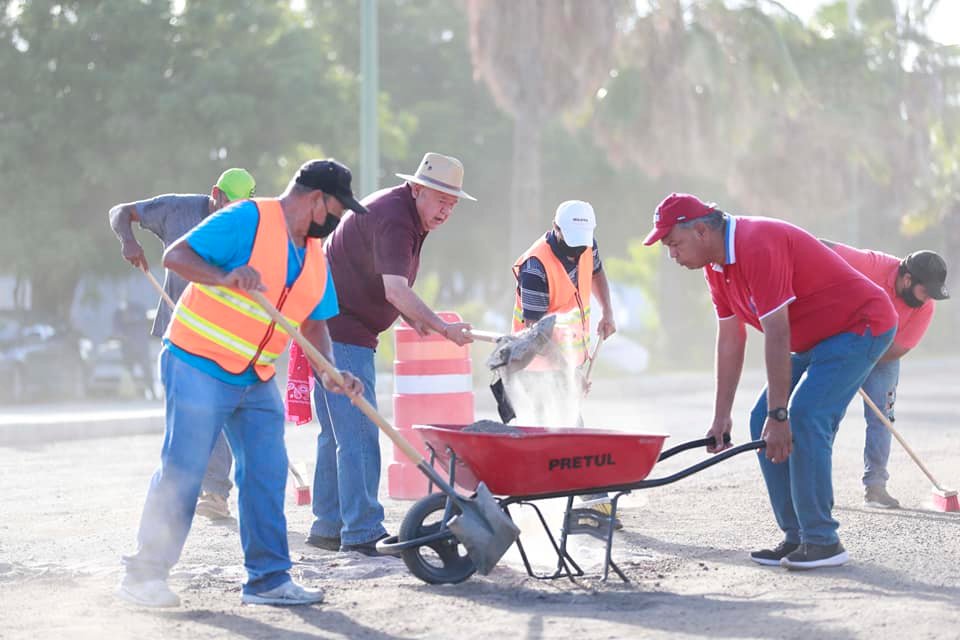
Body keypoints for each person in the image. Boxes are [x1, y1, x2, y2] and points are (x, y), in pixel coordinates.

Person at [117, 159, 366, 607]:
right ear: (316, 199)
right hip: (197, 360)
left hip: (255, 376)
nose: (339, 218)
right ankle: (144, 577)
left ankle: (268, 580)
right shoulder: (247, 217)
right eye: (338, 208)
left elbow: (313, 324)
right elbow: (176, 256)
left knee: (266, 473)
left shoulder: (313, 255)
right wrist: (224, 277)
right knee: (185, 469)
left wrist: (330, 371)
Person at [644, 193, 897, 570]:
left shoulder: (755, 243)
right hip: (813, 335)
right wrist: (721, 417)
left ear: (700, 230)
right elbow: (731, 339)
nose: (672, 255)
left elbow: (775, 332)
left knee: (804, 416)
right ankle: (797, 536)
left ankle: (822, 541)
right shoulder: (716, 267)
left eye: (674, 244)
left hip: (860, 325)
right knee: (758, 418)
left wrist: (781, 415)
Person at [306, 152, 474, 556]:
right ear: (417, 189)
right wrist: (444, 327)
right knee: (360, 432)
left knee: (337, 434)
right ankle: (362, 530)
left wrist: (415, 318)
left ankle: (328, 525)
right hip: (341, 330)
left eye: (452, 204)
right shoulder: (397, 219)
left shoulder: (404, 213)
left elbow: (380, 279)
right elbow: (395, 289)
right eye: (439, 200)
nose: (446, 211)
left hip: (328, 324)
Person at [109, 168, 256, 520]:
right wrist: (128, 241)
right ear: (215, 194)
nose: (230, 213)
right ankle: (180, 492)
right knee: (183, 413)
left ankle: (215, 492)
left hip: (222, 332)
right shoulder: (177, 210)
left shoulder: (247, 224)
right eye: (227, 205)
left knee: (218, 410)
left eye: (240, 207)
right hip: (179, 328)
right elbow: (119, 212)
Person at [511, 200, 618, 520]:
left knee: (560, 433)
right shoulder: (535, 267)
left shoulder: (586, 243)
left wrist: (607, 312)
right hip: (533, 364)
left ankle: (570, 504)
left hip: (565, 358)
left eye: (581, 243)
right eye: (570, 242)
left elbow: (597, 273)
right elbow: (536, 334)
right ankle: (586, 505)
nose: (576, 251)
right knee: (565, 434)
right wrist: (570, 373)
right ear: (555, 229)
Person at [822, 242, 949, 508]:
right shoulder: (874, 264)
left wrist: (865, 358)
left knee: (883, 419)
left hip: (884, 354)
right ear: (907, 278)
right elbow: (822, 247)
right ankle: (817, 486)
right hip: (848, 342)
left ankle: (876, 488)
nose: (927, 298)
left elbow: (899, 348)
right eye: (925, 290)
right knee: (829, 415)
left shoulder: (924, 307)